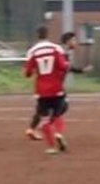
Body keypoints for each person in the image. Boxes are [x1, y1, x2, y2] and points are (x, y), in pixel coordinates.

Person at [26, 30, 88, 140]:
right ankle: (48, 127)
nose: (76, 42)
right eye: (74, 40)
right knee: (61, 106)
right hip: (54, 85)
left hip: (44, 85)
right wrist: (81, 70)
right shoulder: (60, 51)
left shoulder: (62, 51)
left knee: (41, 109)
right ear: (68, 41)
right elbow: (64, 67)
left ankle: (32, 129)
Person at [24, 26, 71, 155]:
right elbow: (63, 66)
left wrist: (35, 71)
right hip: (56, 88)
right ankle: (58, 133)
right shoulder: (56, 48)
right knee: (58, 114)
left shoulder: (32, 51)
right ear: (47, 34)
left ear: (37, 35)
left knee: (44, 118)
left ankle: (51, 147)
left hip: (42, 90)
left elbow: (27, 73)